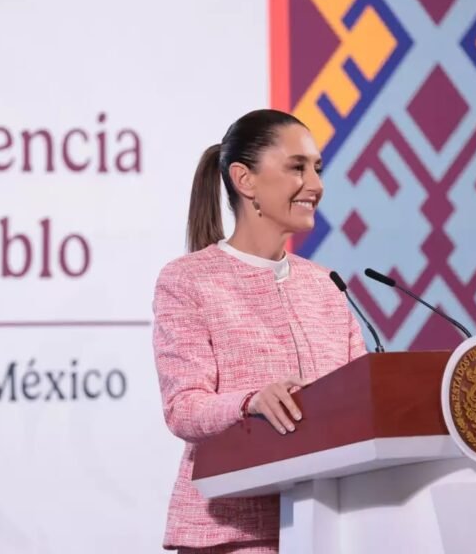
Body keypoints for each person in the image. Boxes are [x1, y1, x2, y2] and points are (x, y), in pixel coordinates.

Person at [152, 109, 367, 553]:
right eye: (297, 167)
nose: (316, 184)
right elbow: (183, 408)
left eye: (318, 169)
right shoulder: (188, 280)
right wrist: (251, 403)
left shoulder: (326, 285)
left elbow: (361, 401)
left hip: (331, 529)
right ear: (245, 180)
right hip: (231, 535)